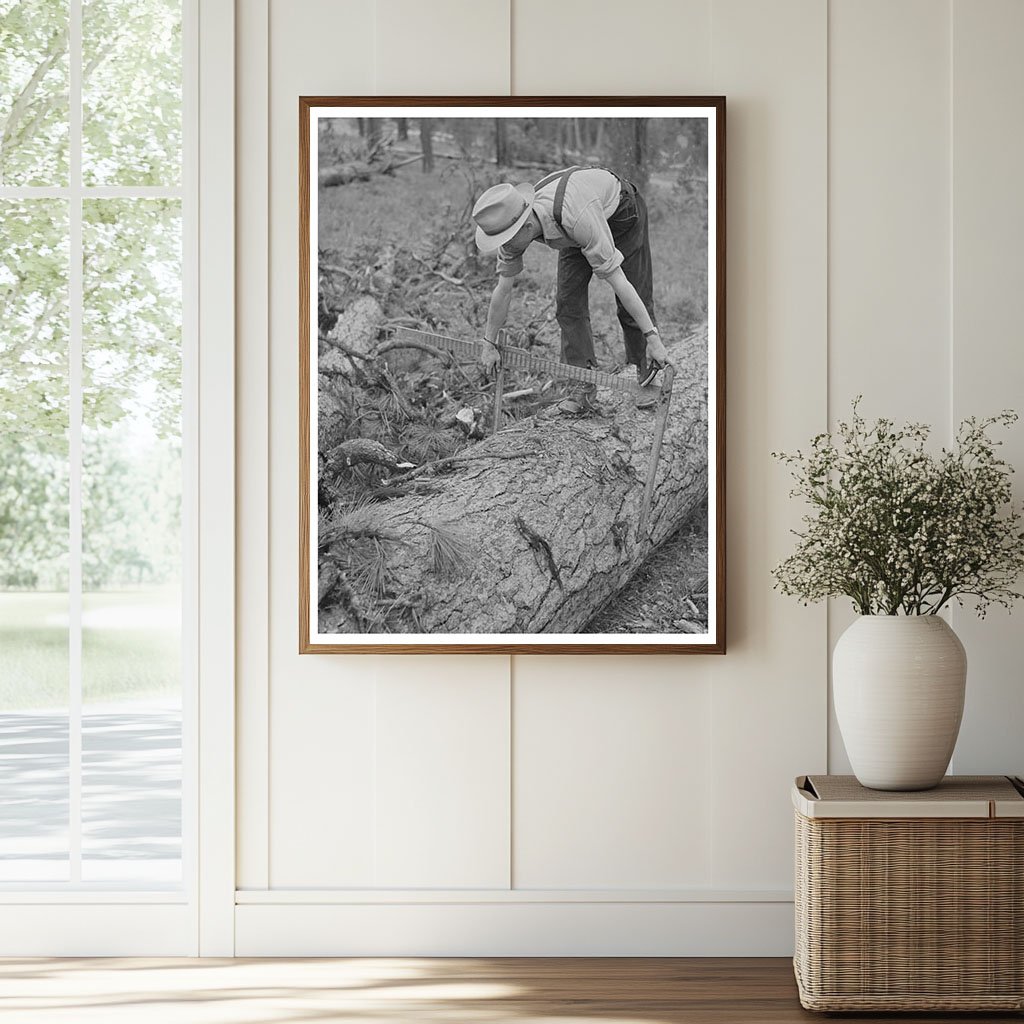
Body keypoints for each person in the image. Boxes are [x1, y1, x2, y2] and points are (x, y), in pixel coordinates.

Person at [471, 165, 671, 414]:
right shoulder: (511, 226)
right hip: (571, 224)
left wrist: (653, 338)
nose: (505, 247)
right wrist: (488, 342)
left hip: (621, 213)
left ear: (526, 227)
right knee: (568, 304)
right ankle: (582, 388)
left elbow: (619, 282)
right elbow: (503, 290)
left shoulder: (575, 217)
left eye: (508, 239)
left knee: (631, 294)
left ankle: (646, 373)